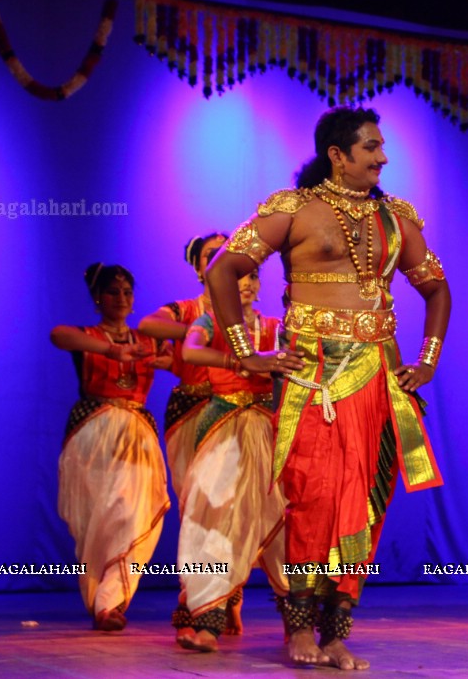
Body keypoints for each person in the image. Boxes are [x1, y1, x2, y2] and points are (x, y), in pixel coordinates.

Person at [206, 106, 451, 669]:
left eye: (383, 147)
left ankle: (337, 629)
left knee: (364, 508)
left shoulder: (397, 218)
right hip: (312, 379)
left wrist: (428, 362)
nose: (382, 157)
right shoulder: (292, 210)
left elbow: (438, 291)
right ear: (337, 155)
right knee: (313, 501)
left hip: (380, 380)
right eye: (370, 147)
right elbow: (223, 270)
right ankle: (298, 628)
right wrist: (249, 354)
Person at [172, 268, 289, 652]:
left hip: (265, 428)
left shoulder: (274, 326)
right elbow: (190, 351)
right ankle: (207, 616)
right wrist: (241, 362)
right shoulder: (209, 322)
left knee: (277, 518)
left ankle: (298, 620)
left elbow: (300, 357)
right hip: (221, 427)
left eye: (253, 275)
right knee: (212, 517)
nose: (246, 282)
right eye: (236, 275)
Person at [50, 263, 172, 631]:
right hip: (92, 434)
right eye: (113, 292)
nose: (121, 298)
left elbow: (180, 357)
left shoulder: (148, 339)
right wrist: (110, 350)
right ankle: (99, 595)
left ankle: (110, 602)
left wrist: (164, 359)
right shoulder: (85, 336)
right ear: (97, 298)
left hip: (136, 434)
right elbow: (58, 335)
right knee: (97, 519)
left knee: (133, 513)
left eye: (127, 292)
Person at [138, 233, 244, 642]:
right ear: (199, 267)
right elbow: (149, 325)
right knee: (197, 512)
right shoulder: (186, 310)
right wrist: (200, 335)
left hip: (233, 416)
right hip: (189, 413)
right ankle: (197, 599)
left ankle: (222, 598)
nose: (216, 261)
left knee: (229, 509)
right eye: (208, 256)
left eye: (225, 255)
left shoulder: (248, 314)